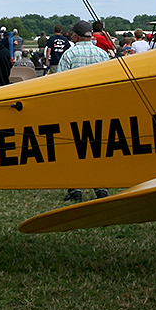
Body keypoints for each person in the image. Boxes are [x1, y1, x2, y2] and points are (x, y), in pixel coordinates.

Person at [55, 20, 109, 202]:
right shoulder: (102, 54)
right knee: (97, 149)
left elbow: (59, 84)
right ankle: (101, 187)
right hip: (99, 107)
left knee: (74, 150)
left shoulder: (69, 55)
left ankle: (75, 189)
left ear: (76, 36)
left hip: (74, 108)